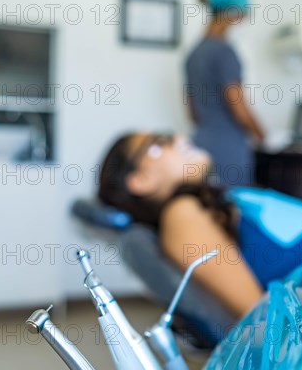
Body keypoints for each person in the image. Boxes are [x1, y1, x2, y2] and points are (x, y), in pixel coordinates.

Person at [98, 132, 263, 321]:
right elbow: (260, 313)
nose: (179, 137)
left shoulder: (203, 205)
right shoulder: (181, 214)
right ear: (140, 180)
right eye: (159, 143)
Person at [185, 0, 264, 186]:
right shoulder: (224, 53)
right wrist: (262, 136)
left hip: (200, 144)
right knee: (234, 207)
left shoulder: (193, 54)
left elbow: (192, 113)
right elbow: (239, 108)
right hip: (228, 148)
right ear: (232, 15)